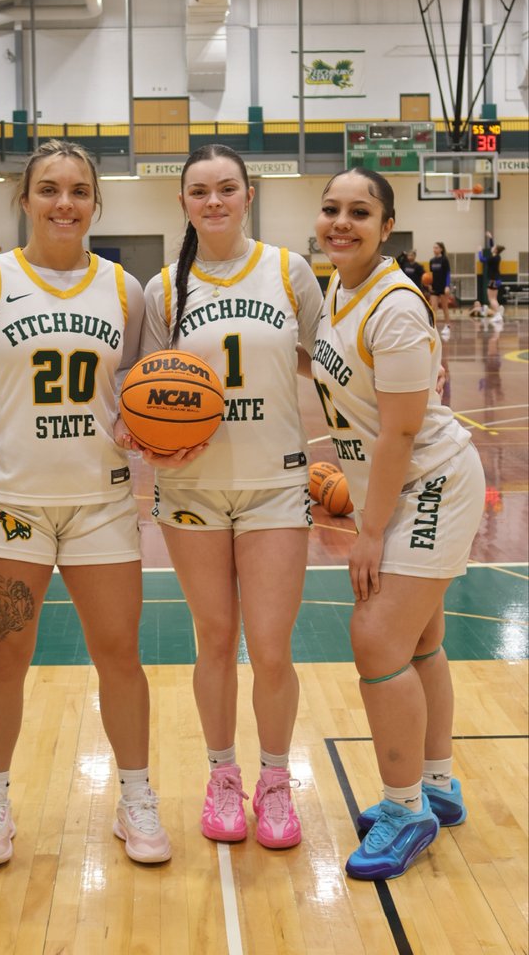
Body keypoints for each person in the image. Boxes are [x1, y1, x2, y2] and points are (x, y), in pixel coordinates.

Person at [0, 139, 171, 867]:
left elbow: (142, 393)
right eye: (48, 189)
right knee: (3, 660)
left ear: (95, 203)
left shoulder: (124, 291)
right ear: (24, 199)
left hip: (101, 502)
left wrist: (145, 429)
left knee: (121, 657)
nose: (64, 203)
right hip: (10, 501)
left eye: (79, 190)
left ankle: (136, 796)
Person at [129, 144, 322, 850]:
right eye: (200, 192)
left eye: (226, 189)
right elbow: (145, 387)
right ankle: (221, 777)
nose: (214, 202)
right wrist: (151, 440)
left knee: (270, 648)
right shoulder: (163, 291)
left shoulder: (288, 271)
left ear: (248, 195)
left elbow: (320, 364)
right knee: (214, 640)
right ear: (183, 203)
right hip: (192, 488)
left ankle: (275, 782)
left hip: (274, 482)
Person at [310, 167, 485, 880]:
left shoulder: (397, 306)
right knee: (420, 641)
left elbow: (400, 433)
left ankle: (404, 807)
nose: (341, 222)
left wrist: (371, 528)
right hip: (405, 481)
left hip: (430, 480)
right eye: (331, 209)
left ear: (387, 226)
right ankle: (437, 784)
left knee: (376, 635)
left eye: (360, 211)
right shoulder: (338, 286)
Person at [469, 232, 505, 323]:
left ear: (495, 250)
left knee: (491, 299)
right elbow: (492, 246)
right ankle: (498, 312)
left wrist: (480, 251)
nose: (492, 247)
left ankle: (498, 314)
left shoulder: (493, 258)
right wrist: (491, 238)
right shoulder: (497, 256)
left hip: (493, 279)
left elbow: (481, 259)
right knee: (494, 298)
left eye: (494, 247)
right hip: (496, 279)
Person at [427, 241, 452, 339]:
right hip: (434, 287)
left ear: (441, 249)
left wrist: (447, 286)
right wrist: (429, 284)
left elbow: (448, 273)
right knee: (433, 308)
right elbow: (430, 275)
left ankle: (447, 326)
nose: (434, 249)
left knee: (445, 307)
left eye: (436, 248)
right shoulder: (432, 261)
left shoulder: (444, 259)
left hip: (443, 287)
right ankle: (433, 327)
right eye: (434, 248)